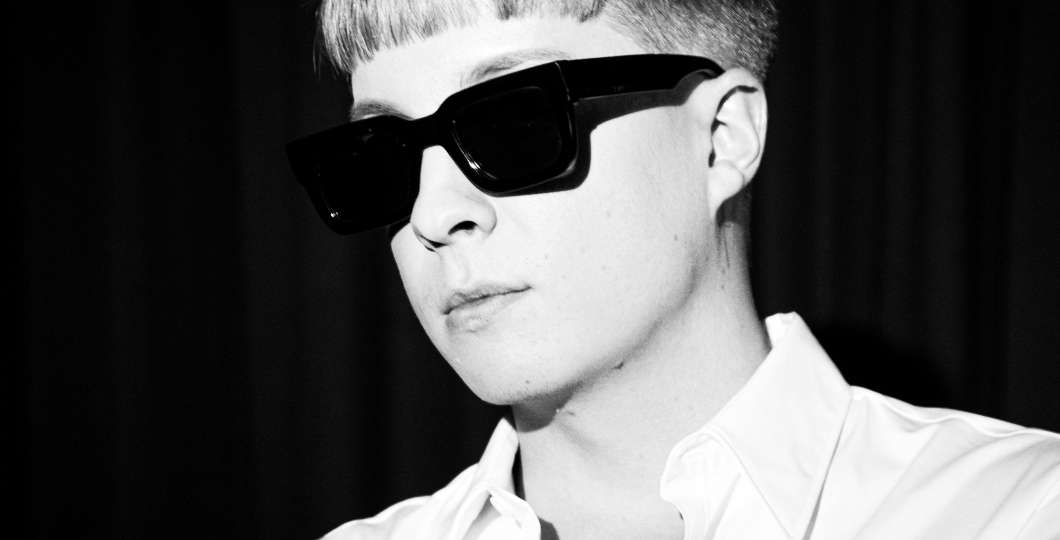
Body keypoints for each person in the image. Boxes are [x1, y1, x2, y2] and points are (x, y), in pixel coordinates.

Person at [285, 1, 1060, 538]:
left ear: (723, 139)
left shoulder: (1019, 512)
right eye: (382, 157)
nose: (431, 214)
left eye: (513, 122)